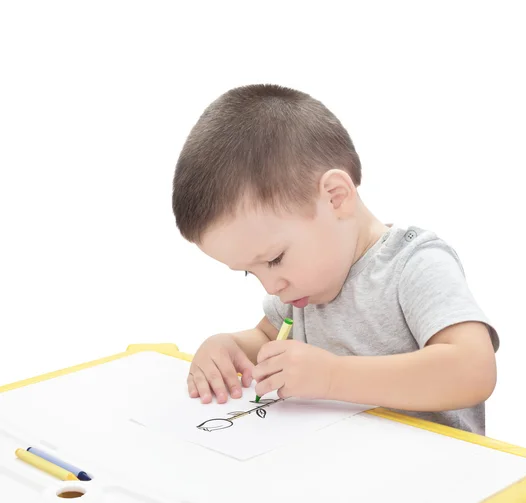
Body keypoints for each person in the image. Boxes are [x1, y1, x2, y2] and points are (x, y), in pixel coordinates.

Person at [172, 84, 499, 435]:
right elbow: (268, 343)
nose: (271, 286)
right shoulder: (304, 290)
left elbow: (473, 370)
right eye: (250, 274)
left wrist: (331, 376)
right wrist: (230, 347)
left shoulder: (414, 264)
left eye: (275, 259)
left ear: (335, 197)